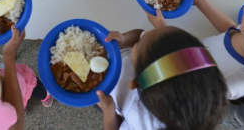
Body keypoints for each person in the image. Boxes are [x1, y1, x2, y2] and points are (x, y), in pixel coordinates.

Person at [96, 9, 227, 130]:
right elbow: (141, 36)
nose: (141, 39)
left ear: (135, 83)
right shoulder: (160, 54)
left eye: (137, 45)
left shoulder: (140, 123)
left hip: (104, 97)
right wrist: (124, 40)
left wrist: (109, 112)